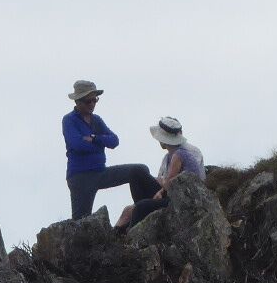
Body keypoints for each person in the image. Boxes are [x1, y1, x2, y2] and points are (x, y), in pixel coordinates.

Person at [62, 80, 159, 220]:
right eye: (88, 101)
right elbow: (77, 144)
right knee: (80, 221)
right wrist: (101, 142)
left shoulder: (96, 120)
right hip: (80, 177)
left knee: (139, 170)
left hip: (100, 172)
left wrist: (95, 138)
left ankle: (151, 205)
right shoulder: (69, 120)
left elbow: (114, 141)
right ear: (78, 102)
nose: (92, 104)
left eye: (94, 100)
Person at [118, 117, 205, 232]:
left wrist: (162, 185)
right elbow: (167, 182)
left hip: (181, 198)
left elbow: (171, 183)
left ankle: (134, 226)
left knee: (140, 207)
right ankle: (140, 213)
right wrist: (160, 190)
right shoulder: (169, 156)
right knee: (136, 172)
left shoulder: (183, 153)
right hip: (171, 193)